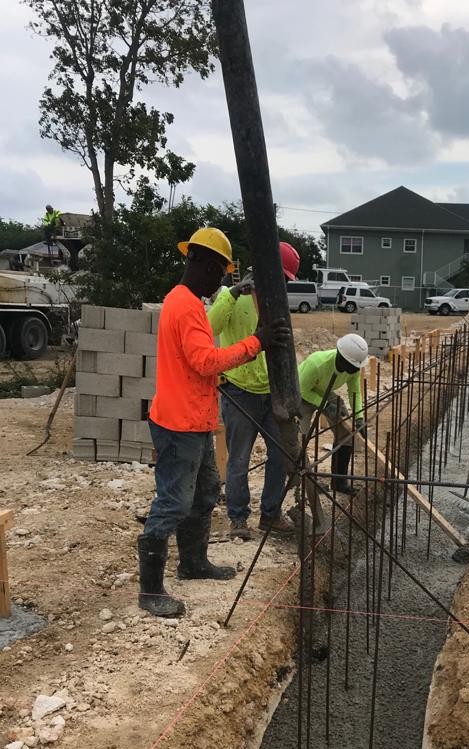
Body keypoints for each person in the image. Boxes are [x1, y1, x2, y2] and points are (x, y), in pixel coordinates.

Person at [138, 227, 290, 618]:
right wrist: (256, 342)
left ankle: (193, 563)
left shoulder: (184, 301)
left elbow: (195, 364)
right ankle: (150, 590)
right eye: (220, 273)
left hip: (195, 417)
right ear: (203, 264)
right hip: (179, 422)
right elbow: (205, 360)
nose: (221, 282)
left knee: (206, 490)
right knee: (173, 501)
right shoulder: (185, 305)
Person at [209, 241, 300, 541]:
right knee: (239, 459)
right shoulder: (230, 297)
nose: (283, 286)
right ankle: (238, 518)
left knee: (279, 456)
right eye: (281, 280)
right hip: (239, 393)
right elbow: (211, 327)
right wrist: (233, 294)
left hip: (269, 391)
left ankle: (271, 514)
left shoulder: (275, 301)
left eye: (286, 282)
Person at [297, 334, 368, 497]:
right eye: (353, 366)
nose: (356, 369)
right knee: (300, 436)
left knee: (346, 434)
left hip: (324, 391)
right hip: (302, 393)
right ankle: (303, 481)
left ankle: (339, 481)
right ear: (341, 358)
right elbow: (302, 389)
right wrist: (325, 404)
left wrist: (359, 418)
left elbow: (354, 392)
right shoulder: (317, 363)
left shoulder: (353, 368)